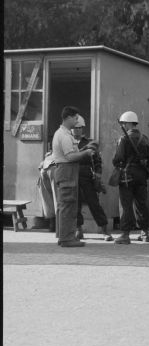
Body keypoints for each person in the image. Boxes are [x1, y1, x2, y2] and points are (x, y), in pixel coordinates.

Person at [51, 106, 96, 247]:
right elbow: (70, 157)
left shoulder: (63, 134)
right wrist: (86, 153)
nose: (77, 121)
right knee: (68, 205)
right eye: (75, 118)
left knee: (65, 204)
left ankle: (64, 236)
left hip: (65, 171)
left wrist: (84, 149)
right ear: (68, 117)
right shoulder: (64, 136)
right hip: (67, 171)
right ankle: (67, 239)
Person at [112, 111, 149, 244]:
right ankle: (145, 233)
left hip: (127, 176)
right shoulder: (145, 138)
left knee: (126, 205)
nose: (123, 125)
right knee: (141, 204)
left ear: (128, 123)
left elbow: (117, 159)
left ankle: (125, 234)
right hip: (141, 176)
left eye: (123, 123)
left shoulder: (123, 139)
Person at [71, 115, 113, 241]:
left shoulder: (90, 142)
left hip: (87, 177)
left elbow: (95, 154)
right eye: (74, 128)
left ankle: (105, 231)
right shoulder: (67, 142)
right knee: (75, 205)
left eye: (79, 128)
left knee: (94, 204)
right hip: (72, 177)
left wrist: (98, 176)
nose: (77, 130)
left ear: (83, 129)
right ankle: (78, 229)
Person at [37, 149, 56, 231]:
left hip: (43, 168)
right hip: (54, 168)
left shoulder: (49, 154)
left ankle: (52, 225)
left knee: (48, 198)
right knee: (56, 197)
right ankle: (57, 226)